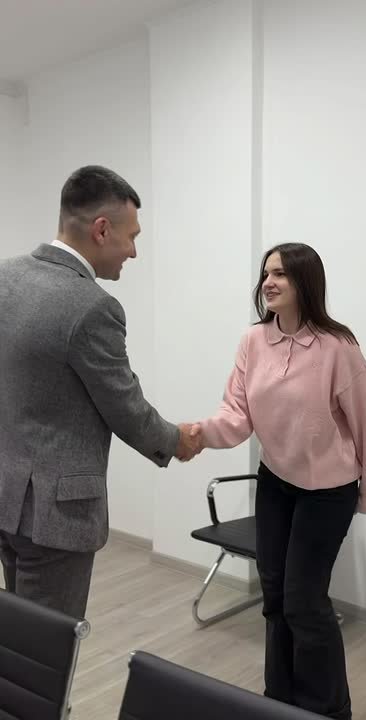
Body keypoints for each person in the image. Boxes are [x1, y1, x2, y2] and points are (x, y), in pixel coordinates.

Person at [0, 165, 201, 618]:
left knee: (17, 633)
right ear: (102, 229)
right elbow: (124, 406)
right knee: (47, 645)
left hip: (7, 496)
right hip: (55, 515)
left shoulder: (5, 277)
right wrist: (177, 441)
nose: (133, 251)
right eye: (132, 237)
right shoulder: (92, 306)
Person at [195, 243, 366, 720]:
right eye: (265, 274)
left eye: (279, 273)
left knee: (304, 602)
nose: (268, 282)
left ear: (305, 281)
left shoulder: (338, 347)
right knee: (275, 596)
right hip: (276, 483)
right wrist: (196, 435)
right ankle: (278, 702)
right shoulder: (253, 341)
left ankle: (329, 711)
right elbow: (237, 415)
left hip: (328, 491)